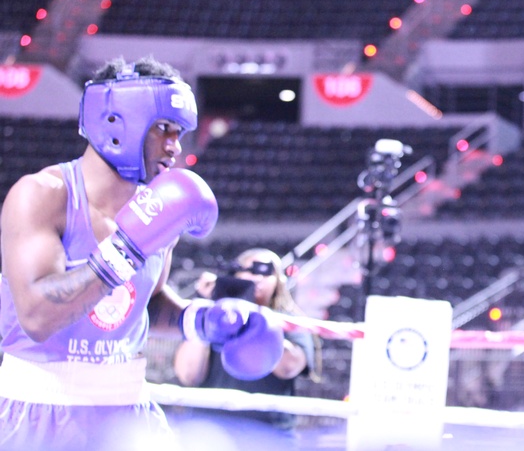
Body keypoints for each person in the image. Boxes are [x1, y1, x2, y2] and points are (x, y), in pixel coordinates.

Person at [0, 56, 285, 451]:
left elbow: (141, 302)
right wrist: (126, 249)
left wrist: (200, 321)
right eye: (163, 129)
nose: (175, 146)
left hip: (128, 408)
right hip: (42, 408)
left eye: (179, 132)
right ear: (118, 122)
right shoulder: (43, 195)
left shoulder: (157, 206)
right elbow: (36, 316)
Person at [172, 247, 321, 436]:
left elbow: (288, 367)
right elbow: (188, 375)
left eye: (265, 272)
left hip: (268, 436)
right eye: (249, 270)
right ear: (235, 274)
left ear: (277, 280)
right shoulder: (213, 316)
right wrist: (208, 311)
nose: (256, 278)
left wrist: (256, 323)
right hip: (209, 434)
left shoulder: (290, 321)